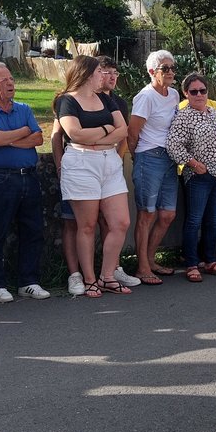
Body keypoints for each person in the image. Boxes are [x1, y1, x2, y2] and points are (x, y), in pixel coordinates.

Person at [52, 59, 140, 294]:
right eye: (100, 71)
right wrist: (105, 131)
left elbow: (123, 130)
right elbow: (74, 133)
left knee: (121, 222)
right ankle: (90, 279)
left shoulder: (106, 98)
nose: (104, 75)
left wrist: (95, 138)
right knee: (87, 225)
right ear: (87, 74)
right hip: (81, 164)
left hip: (108, 162)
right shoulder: (66, 100)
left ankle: (107, 275)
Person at [0, 61, 50, 303]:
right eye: (3, 81)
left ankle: (29, 281)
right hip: (1, 178)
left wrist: (7, 138)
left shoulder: (24, 108)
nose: (10, 83)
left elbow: (37, 138)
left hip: (29, 175)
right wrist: (22, 131)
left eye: (11, 79)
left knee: (33, 230)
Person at [167, 73, 216, 282]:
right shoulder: (183, 116)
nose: (199, 95)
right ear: (186, 93)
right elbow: (173, 144)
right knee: (194, 220)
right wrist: (194, 164)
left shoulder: (213, 113)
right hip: (198, 176)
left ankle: (211, 260)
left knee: (213, 220)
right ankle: (191, 263)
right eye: (193, 91)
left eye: (202, 91)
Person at [128, 50, 180, 284]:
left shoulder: (174, 95)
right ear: (152, 72)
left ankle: (150, 259)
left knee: (168, 214)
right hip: (149, 156)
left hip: (169, 157)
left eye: (172, 68)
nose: (170, 72)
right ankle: (142, 267)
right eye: (164, 68)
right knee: (146, 214)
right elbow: (132, 133)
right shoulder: (145, 97)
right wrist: (139, 158)